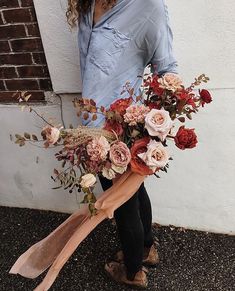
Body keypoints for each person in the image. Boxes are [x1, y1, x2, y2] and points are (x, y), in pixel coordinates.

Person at [66, 0, 178, 288]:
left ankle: (132, 272)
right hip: (93, 130)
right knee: (133, 193)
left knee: (123, 202)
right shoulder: (87, 5)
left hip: (123, 129)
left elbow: (166, 68)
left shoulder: (147, 6)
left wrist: (157, 124)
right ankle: (144, 249)